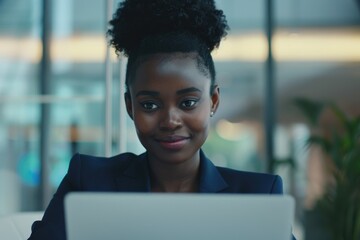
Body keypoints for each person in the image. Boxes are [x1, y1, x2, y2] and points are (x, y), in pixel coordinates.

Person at [28, 0, 295, 239]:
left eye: (188, 102)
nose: (170, 120)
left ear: (213, 101)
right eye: (150, 104)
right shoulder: (89, 181)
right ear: (130, 106)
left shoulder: (257, 195)